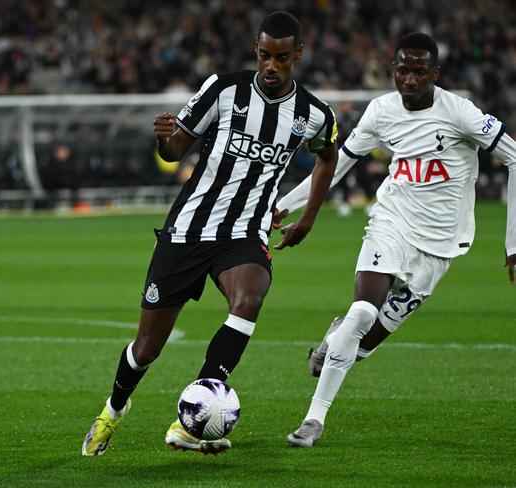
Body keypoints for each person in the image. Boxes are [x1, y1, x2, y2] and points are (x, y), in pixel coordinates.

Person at [82, 11, 339, 456]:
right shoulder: (224, 88)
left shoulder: (313, 114)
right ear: (255, 51)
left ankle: (197, 414)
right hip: (188, 229)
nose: (271, 67)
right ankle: (113, 409)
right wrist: (164, 140)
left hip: (246, 231)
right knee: (146, 348)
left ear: (297, 54)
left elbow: (328, 157)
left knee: (249, 299)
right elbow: (177, 146)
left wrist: (308, 218)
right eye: (264, 56)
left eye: (281, 58)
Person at [274, 32, 516, 448]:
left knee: (364, 344)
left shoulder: (461, 114)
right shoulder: (381, 111)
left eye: (420, 71)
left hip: (440, 246)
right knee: (364, 312)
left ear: (434, 74)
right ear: (393, 70)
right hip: (392, 222)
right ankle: (314, 419)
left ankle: (338, 337)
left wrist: (513, 243)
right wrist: (285, 204)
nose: (410, 79)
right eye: (402, 70)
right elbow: (340, 162)